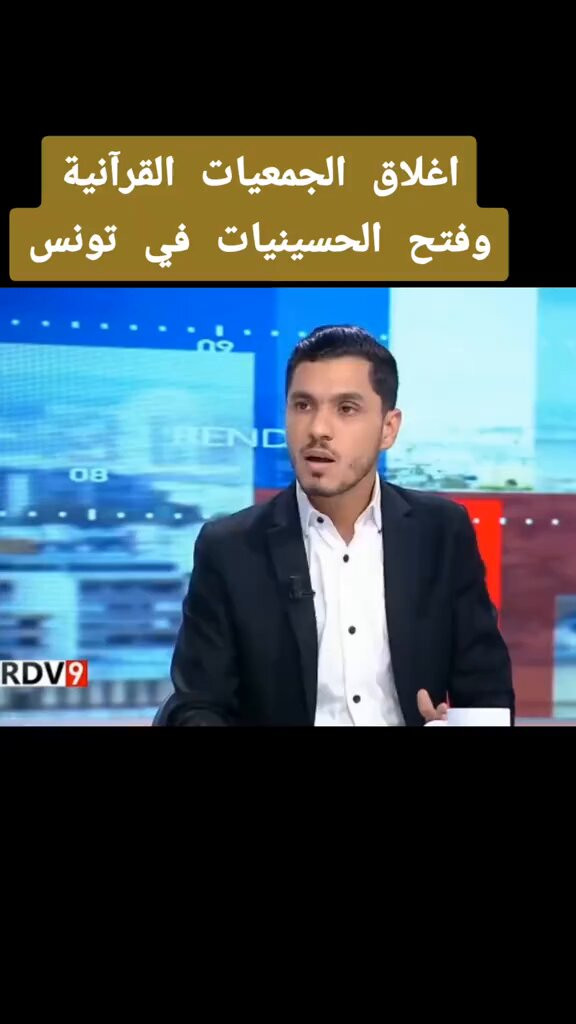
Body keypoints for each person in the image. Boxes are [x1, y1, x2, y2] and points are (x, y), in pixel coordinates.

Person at [165, 325, 514, 726]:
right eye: (303, 405)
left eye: (346, 409)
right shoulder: (231, 548)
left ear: (388, 428)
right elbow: (196, 705)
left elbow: (485, 686)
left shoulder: (441, 532)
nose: (318, 429)